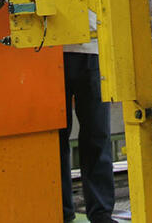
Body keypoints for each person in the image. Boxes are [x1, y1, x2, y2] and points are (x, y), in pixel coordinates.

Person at [60, 25, 115, 223]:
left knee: (97, 134)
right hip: (49, 49)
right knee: (55, 139)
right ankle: (61, 211)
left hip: (94, 49)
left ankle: (101, 213)